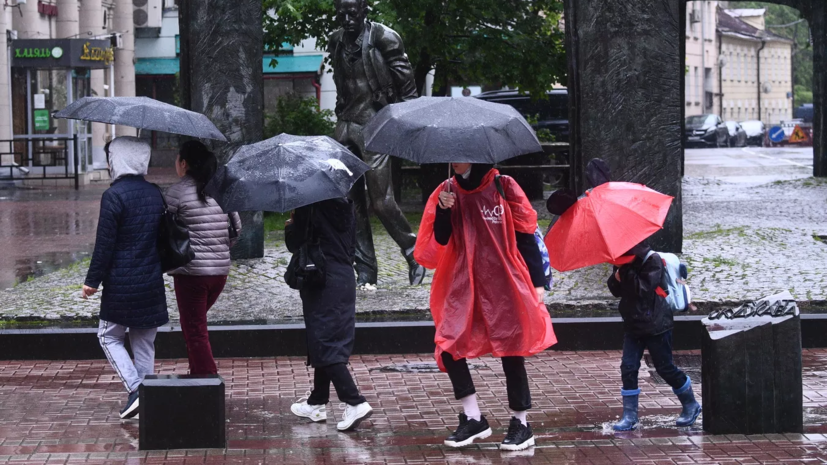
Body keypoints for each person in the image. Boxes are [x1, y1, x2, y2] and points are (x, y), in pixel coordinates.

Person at [415, 163, 557, 451]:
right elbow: (441, 238)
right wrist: (444, 209)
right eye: (453, 155)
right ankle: (473, 416)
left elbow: (526, 233)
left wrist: (537, 282)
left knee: (512, 347)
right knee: (450, 343)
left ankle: (521, 422)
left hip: (504, 278)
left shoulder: (503, 185)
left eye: (463, 154)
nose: (457, 160)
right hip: (463, 280)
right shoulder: (448, 189)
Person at [328, 0, 425, 287]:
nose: (347, 19)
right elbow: (341, 81)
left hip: (374, 125)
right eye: (341, 13)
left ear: (364, 10)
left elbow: (407, 88)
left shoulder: (384, 37)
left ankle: (413, 253)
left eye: (352, 13)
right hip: (345, 126)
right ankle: (366, 271)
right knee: (349, 203)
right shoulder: (336, 40)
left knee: (381, 202)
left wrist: (405, 126)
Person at [81, 136, 167, 420]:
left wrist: (92, 281)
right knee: (144, 340)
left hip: (121, 282)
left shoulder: (114, 196)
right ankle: (149, 397)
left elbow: (105, 243)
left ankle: (137, 390)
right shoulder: (155, 193)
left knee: (108, 336)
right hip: (151, 280)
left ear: (117, 160)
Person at [285, 197, 373, 432]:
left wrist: (292, 225)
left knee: (324, 343)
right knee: (324, 339)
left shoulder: (309, 204)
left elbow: (295, 243)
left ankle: (355, 401)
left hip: (321, 278)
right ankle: (317, 401)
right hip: (343, 277)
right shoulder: (346, 205)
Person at [164, 141, 241, 375]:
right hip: (219, 274)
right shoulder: (220, 190)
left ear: (184, 164)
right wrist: (220, 251)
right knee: (192, 327)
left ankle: (208, 380)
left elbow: (164, 230)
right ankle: (196, 374)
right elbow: (237, 228)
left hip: (191, 275)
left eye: (177, 159)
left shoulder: (176, 193)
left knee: (195, 329)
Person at [607, 241, 702, 431]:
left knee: (664, 368)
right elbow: (616, 290)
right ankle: (630, 415)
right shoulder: (621, 259)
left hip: (657, 324)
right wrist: (616, 276)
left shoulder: (653, 260)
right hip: (633, 324)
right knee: (628, 367)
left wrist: (623, 273)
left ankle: (691, 404)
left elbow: (642, 289)